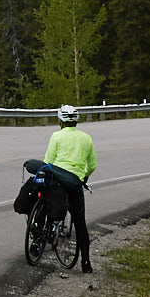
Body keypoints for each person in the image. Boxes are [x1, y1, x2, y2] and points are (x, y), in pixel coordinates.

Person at [40, 103, 97, 272]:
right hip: (74, 183)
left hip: (57, 180)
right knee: (80, 222)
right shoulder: (86, 138)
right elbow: (92, 164)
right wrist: (84, 176)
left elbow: (48, 161)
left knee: (46, 202)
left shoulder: (56, 136)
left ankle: (39, 237)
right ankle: (85, 262)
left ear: (61, 121)